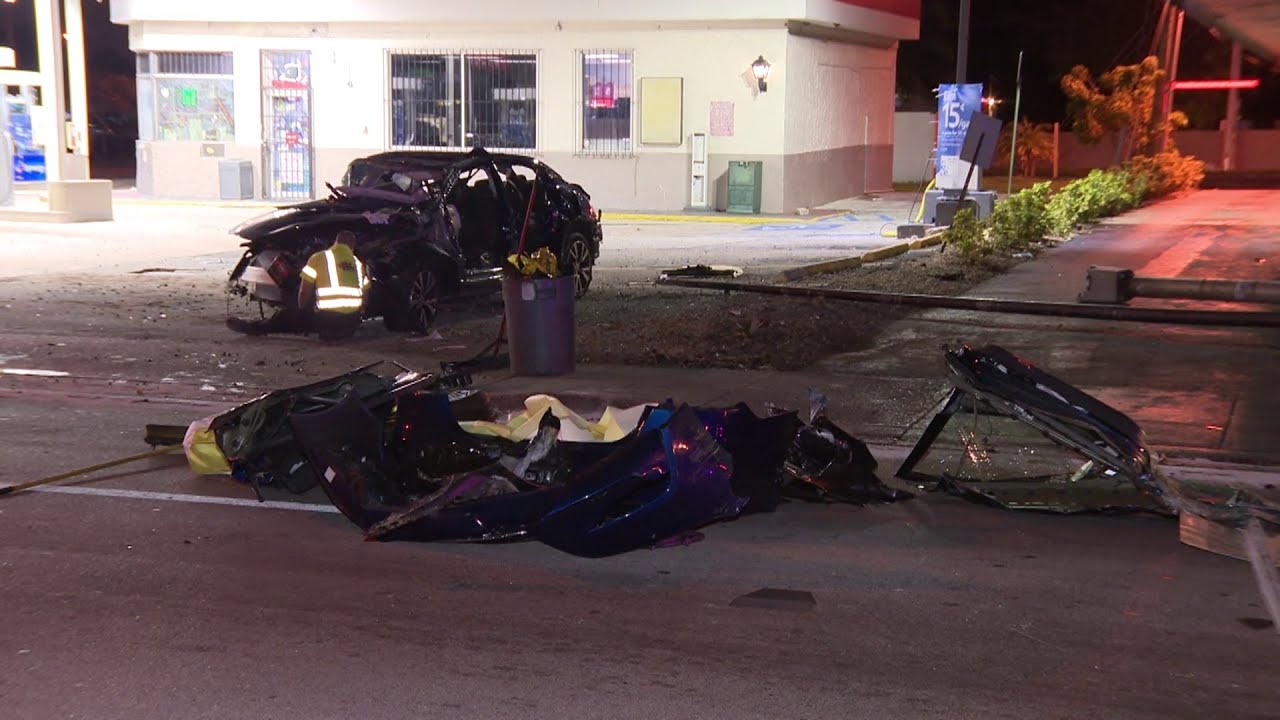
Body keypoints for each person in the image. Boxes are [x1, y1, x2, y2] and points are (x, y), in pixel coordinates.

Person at [227, 230, 369, 340]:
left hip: (328, 321)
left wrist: (300, 311)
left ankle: (253, 328)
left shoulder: (319, 258)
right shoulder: (359, 264)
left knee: (285, 318)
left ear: (335, 243)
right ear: (352, 247)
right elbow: (365, 295)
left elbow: (303, 292)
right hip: (351, 324)